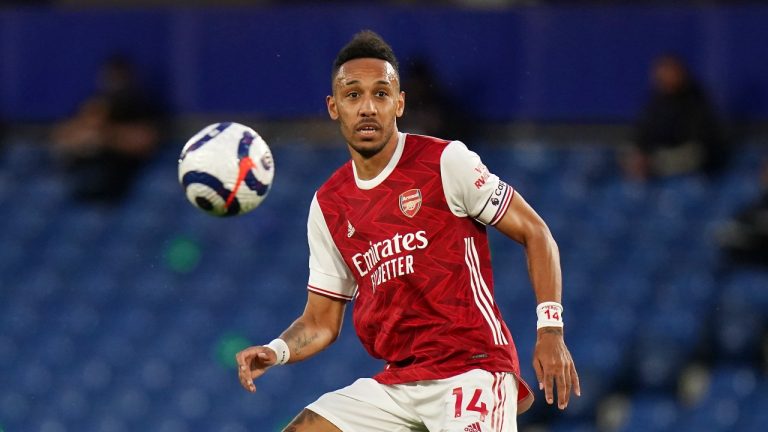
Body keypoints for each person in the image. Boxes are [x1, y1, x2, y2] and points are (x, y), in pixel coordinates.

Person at [236, 30, 579, 432]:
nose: (367, 107)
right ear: (334, 107)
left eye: (380, 94)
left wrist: (550, 329)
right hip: (399, 382)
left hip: (471, 369)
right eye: (353, 95)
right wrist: (276, 352)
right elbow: (320, 322)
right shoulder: (329, 205)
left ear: (399, 103)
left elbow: (536, 232)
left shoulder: (444, 162)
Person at [51, 54, 161, 203]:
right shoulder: (96, 103)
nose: (114, 82)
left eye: (119, 77)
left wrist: (107, 136)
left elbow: (145, 140)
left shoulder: (139, 105)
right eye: (110, 76)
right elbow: (63, 137)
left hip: (121, 181)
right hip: (84, 178)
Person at [624, 54, 727, 180]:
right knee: (628, 153)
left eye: (671, 72)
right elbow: (642, 132)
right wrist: (640, 153)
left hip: (689, 156)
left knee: (694, 155)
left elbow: (700, 143)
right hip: (658, 154)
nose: (665, 78)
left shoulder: (696, 100)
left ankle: (652, 168)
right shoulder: (655, 102)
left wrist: (656, 160)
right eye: (661, 75)